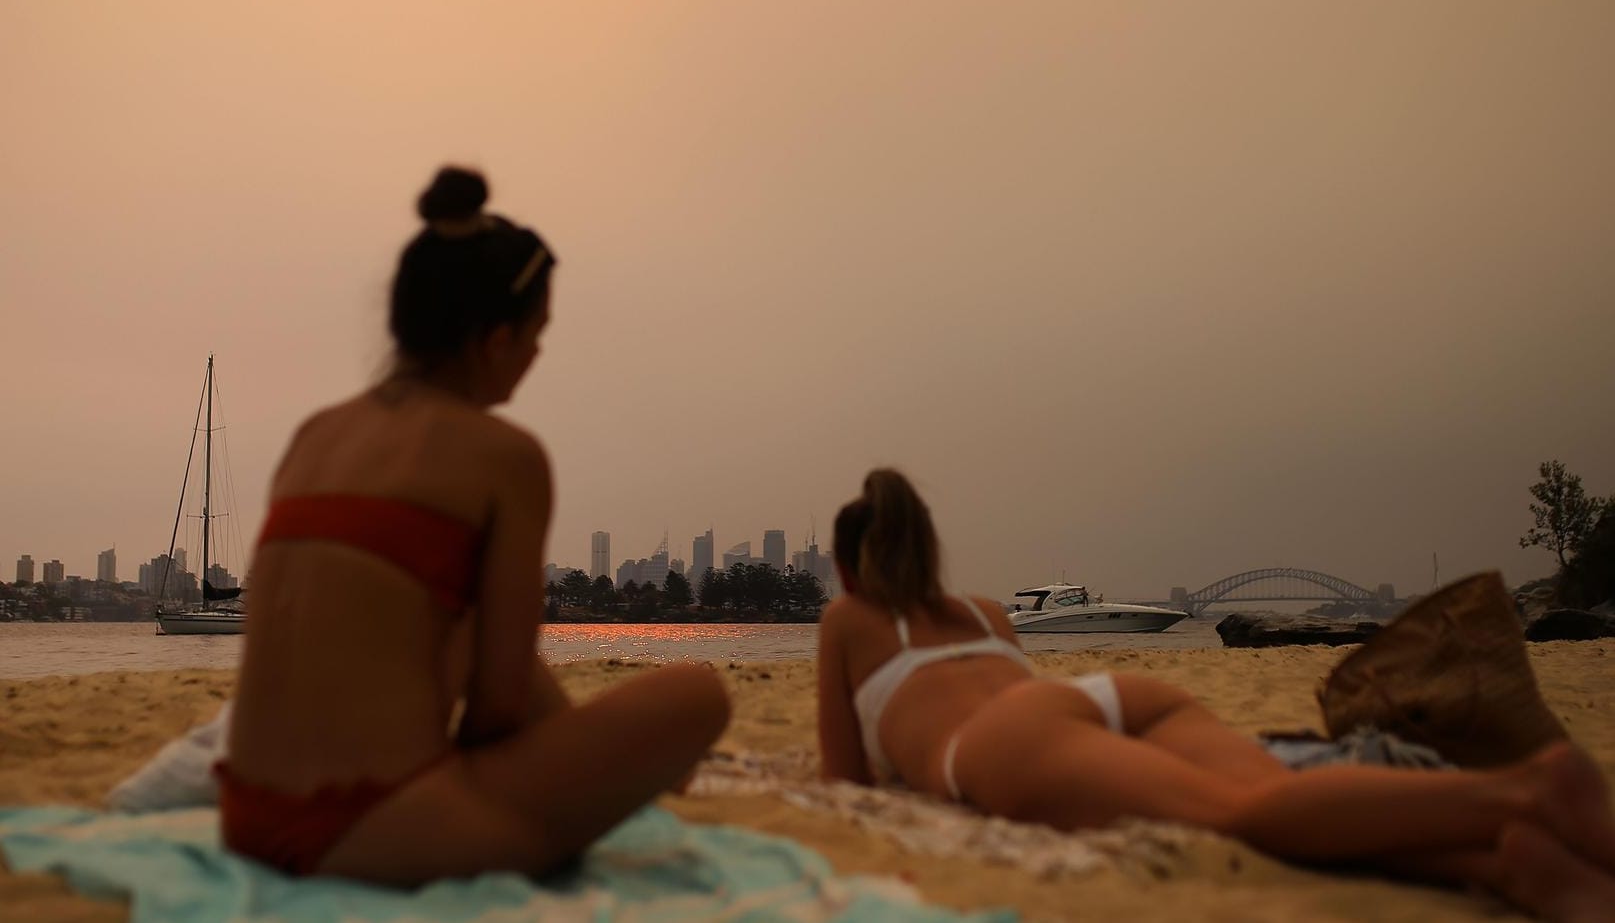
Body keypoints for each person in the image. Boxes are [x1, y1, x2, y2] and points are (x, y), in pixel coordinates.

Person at [220, 167, 729, 886]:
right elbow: (495, 705)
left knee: (459, 613)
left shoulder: (316, 433)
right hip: (373, 827)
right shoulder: (505, 456)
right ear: (494, 340)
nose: (536, 355)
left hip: (246, 816)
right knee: (698, 693)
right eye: (535, 334)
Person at [815, 469, 1615, 922]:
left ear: (851, 566)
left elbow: (846, 777)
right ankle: (1507, 862)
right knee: (1267, 796)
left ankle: (1523, 788)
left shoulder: (847, 616)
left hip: (1007, 745)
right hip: (1102, 697)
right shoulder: (984, 610)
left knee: (1234, 815)